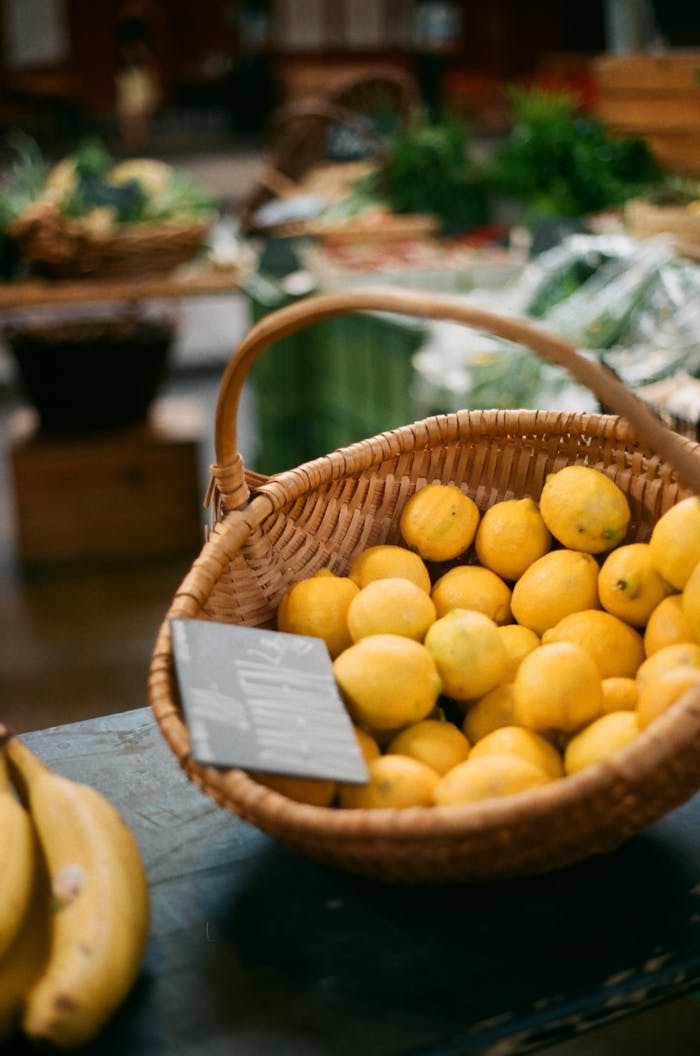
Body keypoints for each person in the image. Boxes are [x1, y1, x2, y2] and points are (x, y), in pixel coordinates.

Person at [115, 2, 161, 153]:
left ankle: (140, 143)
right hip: (130, 73)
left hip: (138, 72)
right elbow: (130, 51)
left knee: (140, 111)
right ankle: (131, 142)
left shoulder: (140, 24)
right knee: (130, 111)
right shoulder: (127, 26)